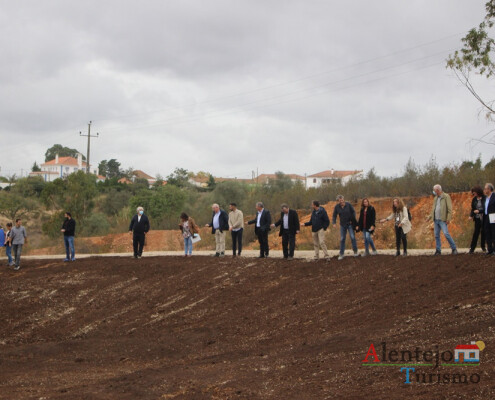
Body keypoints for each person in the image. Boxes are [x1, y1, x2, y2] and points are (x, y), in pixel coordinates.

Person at [426, 184, 458, 255]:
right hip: (436, 220)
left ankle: (454, 248)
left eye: (434, 190)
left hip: (442, 219)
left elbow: (449, 209)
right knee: (436, 235)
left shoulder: (446, 197)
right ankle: (438, 250)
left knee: (446, 234)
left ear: (437, 190)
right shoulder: (435, 198)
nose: (434, 192)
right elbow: (433, 209)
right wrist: (429, 217)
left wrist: (448, 218)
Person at [332, 195, 359, 260]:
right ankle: (341, 254)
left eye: (341, 200)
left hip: (350, 224)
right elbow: (334, 215)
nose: (341, 201)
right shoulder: (337, 207)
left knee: (352, 237)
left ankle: (355, 251)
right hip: (342, 225)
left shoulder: (348, 205)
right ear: (338, 201)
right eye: (339, 200)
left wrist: (353, 219)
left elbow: (353, 212)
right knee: (342, 239)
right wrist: (334, 223)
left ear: (343, 199)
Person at [468, 186, 486, 254]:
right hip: (477, 218)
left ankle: (483, 246)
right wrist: (471, 216)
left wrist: (479, 211)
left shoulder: (485, 198)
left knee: (484, 232)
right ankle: (472, 248)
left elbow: (486, 208)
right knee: (476, 233)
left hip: (484, 218)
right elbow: (473, 208)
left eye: (474, 193)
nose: (474, 194)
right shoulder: (474, 199)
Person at [483, 183, 495, 255]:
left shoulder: (494, 197)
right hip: (486, 217)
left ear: (489, 189)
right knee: (487, 232)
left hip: (493, 216)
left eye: (485, 189)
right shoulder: (485, 198)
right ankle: (489, 249)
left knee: (493, 233)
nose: (484, 190)